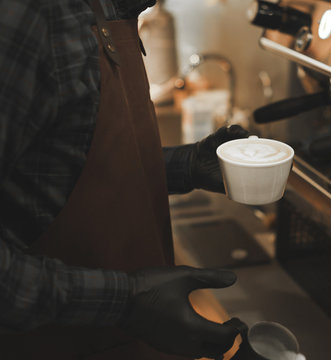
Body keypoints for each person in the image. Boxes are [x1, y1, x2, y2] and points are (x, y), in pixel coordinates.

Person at [0, 0, 247, 359]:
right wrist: (125, 301)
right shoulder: (30, 15)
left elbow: (58, 168)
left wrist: (186, 164)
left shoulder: (112, 12)